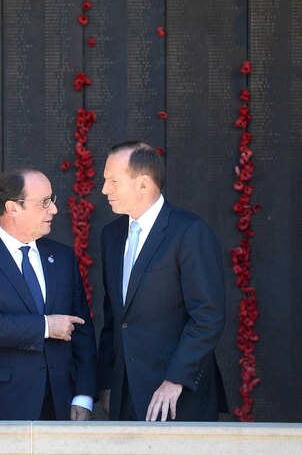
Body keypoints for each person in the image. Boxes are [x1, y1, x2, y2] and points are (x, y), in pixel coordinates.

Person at [0, 166, 97, 420]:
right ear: (13, 208)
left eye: (52, 200)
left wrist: (83, 395)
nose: (54, 209)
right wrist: (44, 326)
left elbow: (82, 329)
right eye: (44, 202)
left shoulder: (62, 257)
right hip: (2, 405)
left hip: (61, 404)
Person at [97, 141, 228, 421]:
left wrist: (175, 380)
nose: (104, 189)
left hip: (177, 397)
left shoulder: (190, 232)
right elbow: (114, 318)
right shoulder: (111, 235)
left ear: (143, 184)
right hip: (124, 397)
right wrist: (107, 382)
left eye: (113, 181)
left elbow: (207, 316)